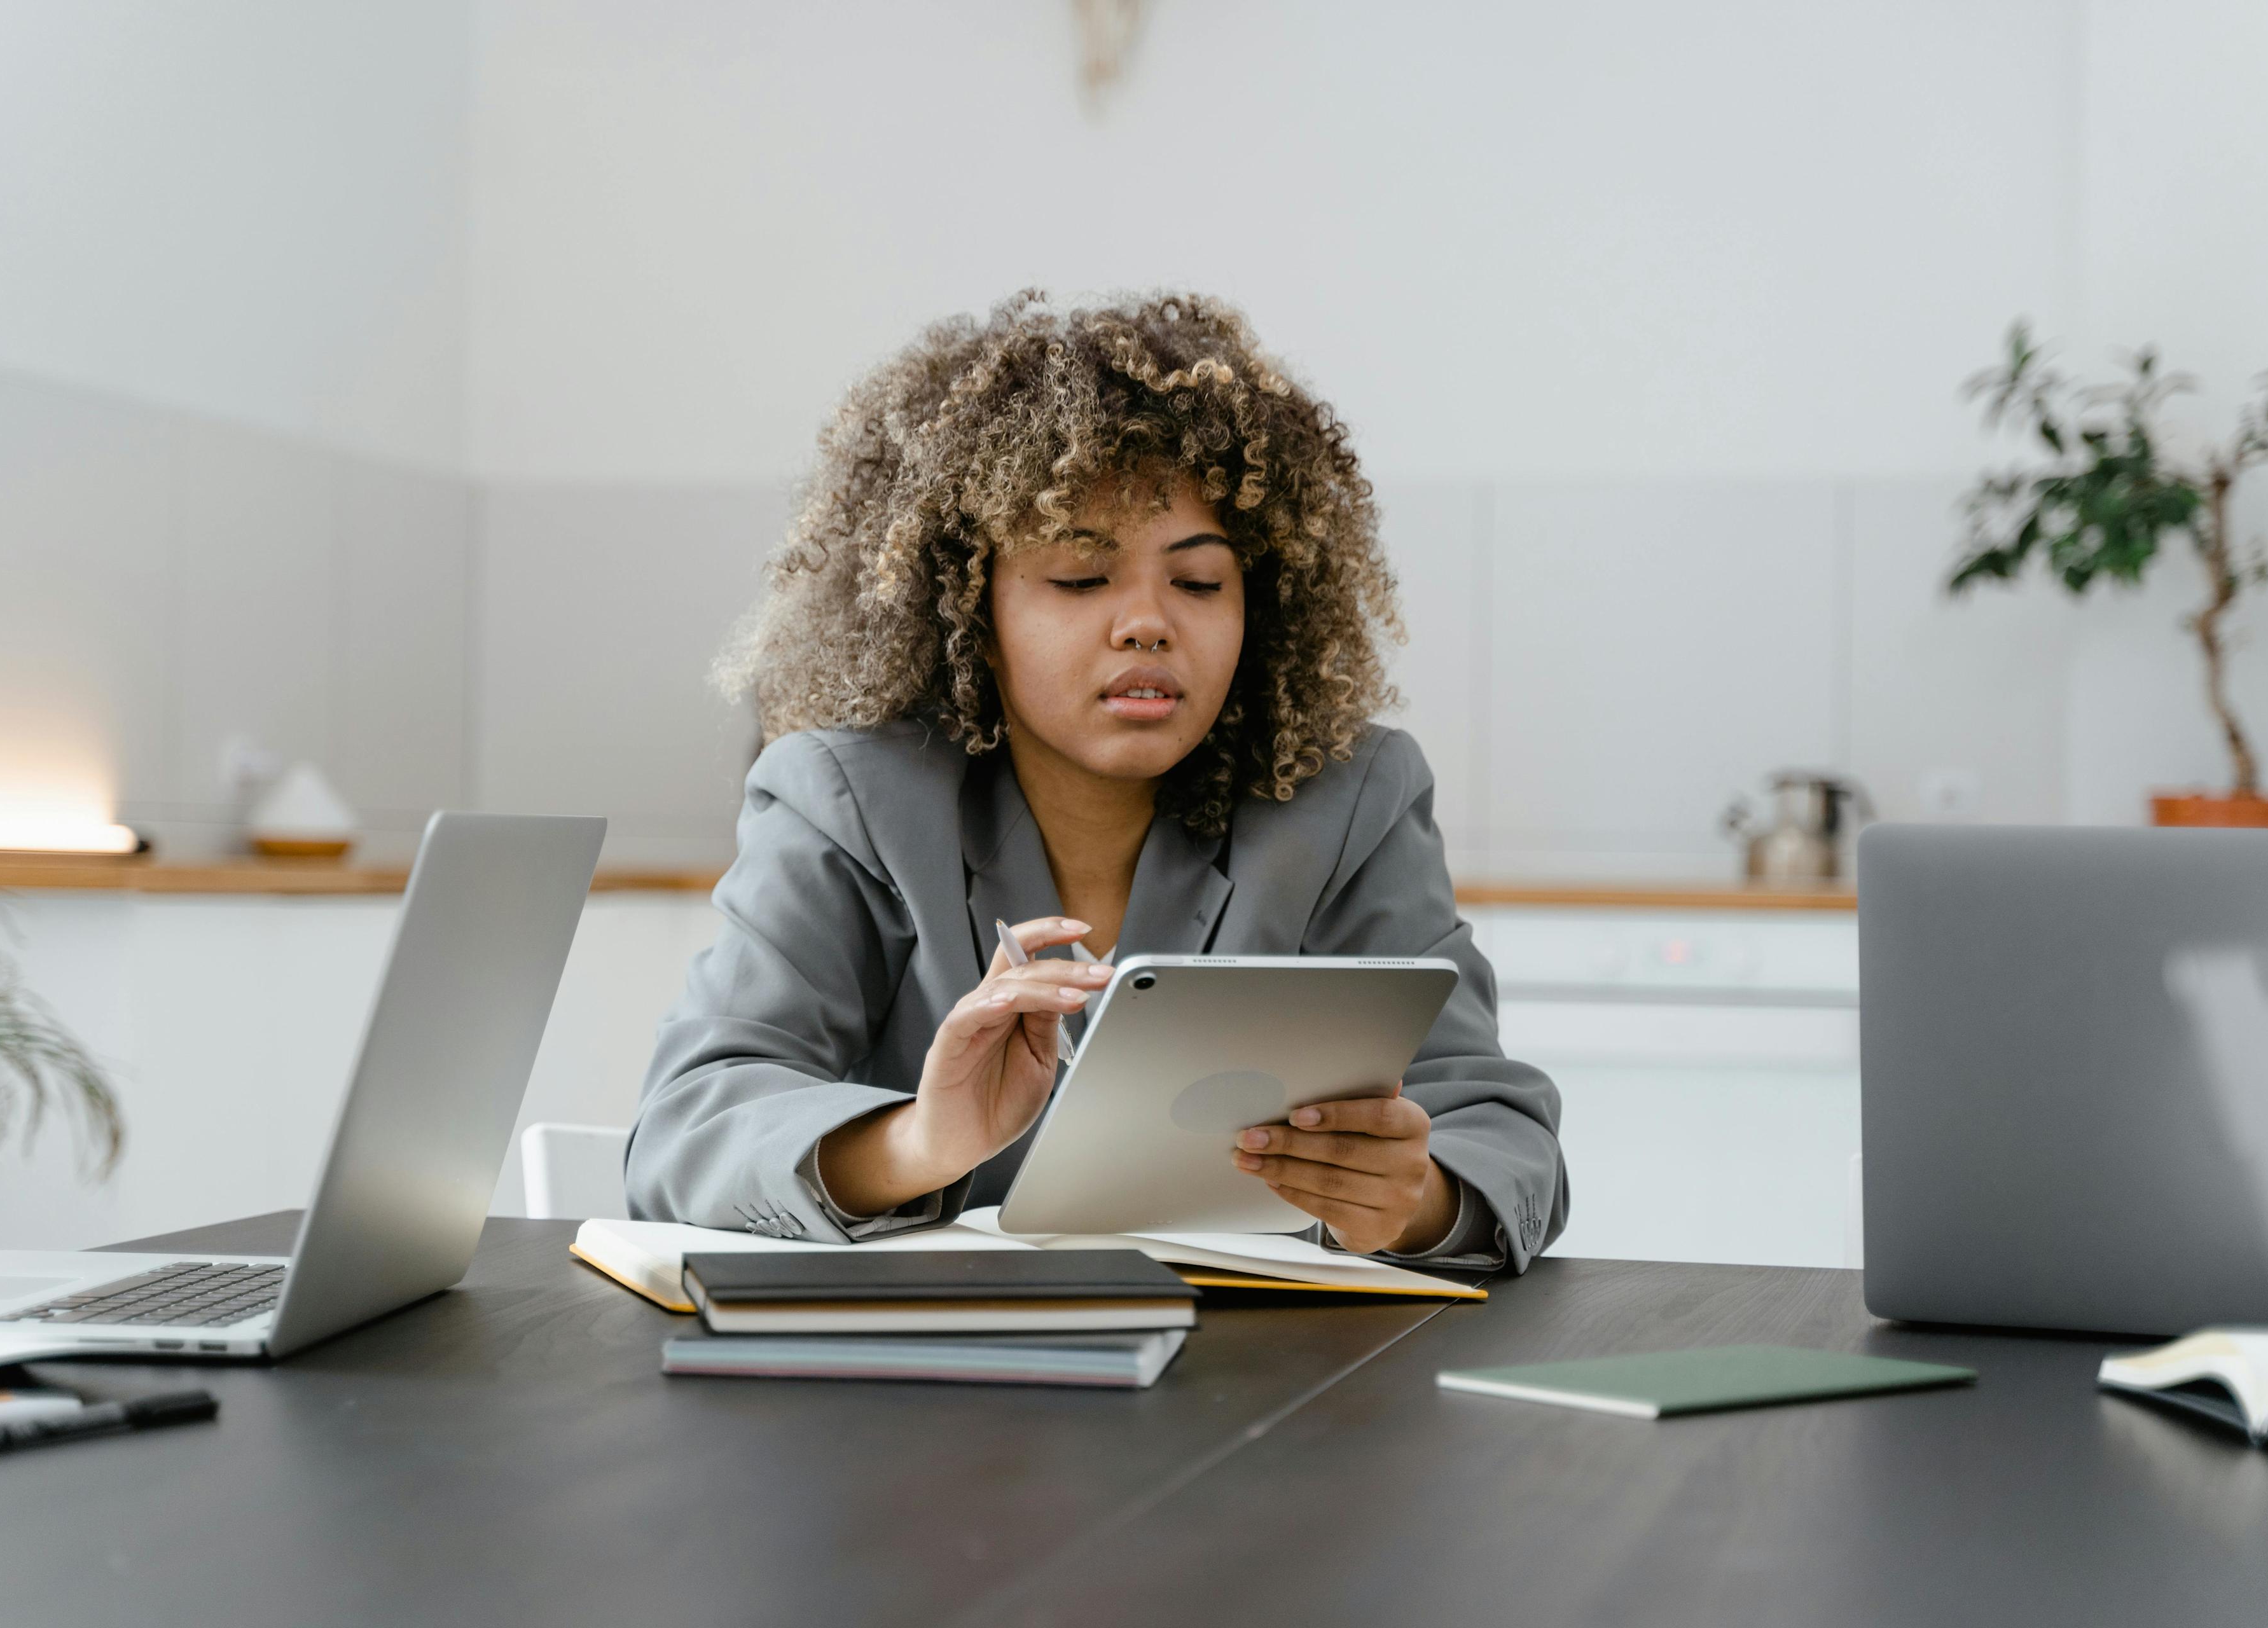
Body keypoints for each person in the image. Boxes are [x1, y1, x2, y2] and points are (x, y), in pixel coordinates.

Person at [626, 291, 1566, 1269]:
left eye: (1200, 582)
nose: (1148, 623)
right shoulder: (847, 799)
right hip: (926, 1390)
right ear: (969, 610)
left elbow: (1501, 1135)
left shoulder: (1349, 802)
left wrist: (1412, 1200)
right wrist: (920, 1143)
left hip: (1254, 1381)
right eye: (1081, 579)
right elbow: (688, 1127)